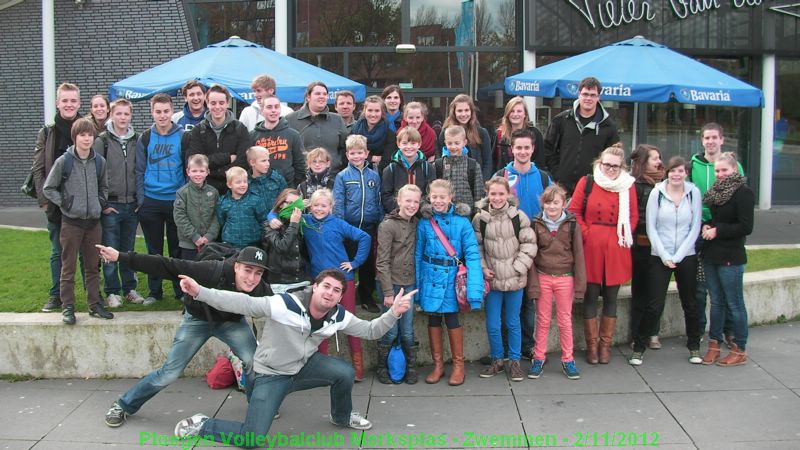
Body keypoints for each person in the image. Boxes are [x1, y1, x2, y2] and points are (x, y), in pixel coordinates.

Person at [173, 270, 418, 446]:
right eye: (326, 286)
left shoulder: (338, 315)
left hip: (304, 366)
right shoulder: (285, 304)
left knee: (344, 373)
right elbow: (243, 303)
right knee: (252, 438)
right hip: (271, 374)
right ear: (315, 286)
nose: (330, 293)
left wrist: (394, 312)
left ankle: (342, 416)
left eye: (336, 290)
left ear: (340, 297)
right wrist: (201, 292)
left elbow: (370, 330)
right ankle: (202, 424)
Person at [101, 245, 272, 428]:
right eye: (247, 270)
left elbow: (282, 310)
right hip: (197, 320)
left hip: (232, 322)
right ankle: (123, 405)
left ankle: (258, 405)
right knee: (170, 372)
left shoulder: (260, 288)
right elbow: (167, 264)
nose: (252, 278)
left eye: (258, 273)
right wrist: (121, 256)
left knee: (255, 361)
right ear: (236, 266)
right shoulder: (211, 270)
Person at [568, 143, 637, 365]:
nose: (610, 169)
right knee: (590, 295)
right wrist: (587, 233)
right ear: (600, 163)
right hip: (591, 247)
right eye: (607, 164)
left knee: (611, 297)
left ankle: (604, 346)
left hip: (617, 246)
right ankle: (591, 346)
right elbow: (574, 211)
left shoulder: (628, 186)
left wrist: (624, 234)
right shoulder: (587, 182)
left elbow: (633, 216)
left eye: (615, 166)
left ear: (622, 167)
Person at [629, 156, 702, 366]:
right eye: (672, 171)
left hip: (686, 255)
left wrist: (678, 256)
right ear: (667, 172)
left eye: (680, 171)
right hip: (660, 255)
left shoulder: (693, 193)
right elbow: (651, 227)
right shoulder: (657, 193)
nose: (676, 175)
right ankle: (639, 347)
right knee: (653, 305)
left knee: (690, 303)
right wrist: (665, 256)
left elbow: (695, 226)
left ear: (686, 173)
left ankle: (694, 345)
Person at [42, 117, 111, 325]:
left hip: (93, 222)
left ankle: (94, 304)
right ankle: (68, 306)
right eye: (82, 135)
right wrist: (66, 203)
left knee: (92, 266)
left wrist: (99, 202)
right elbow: (49, 188)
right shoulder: (64, 161)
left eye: (90, 135)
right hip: (71, 223)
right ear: (75, 137)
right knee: (68, 266)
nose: (87, 139)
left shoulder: (99, 161)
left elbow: (104, 187)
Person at [491, 128, 552, 361]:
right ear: (511, 149)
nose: (523, 151)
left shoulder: (544, 177)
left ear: (533, 149)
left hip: (532, 246)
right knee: (504, 299)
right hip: (503, 246)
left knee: (527, 298)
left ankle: (525, 344)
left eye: (527, 147)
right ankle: (504, 347)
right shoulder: (502, 175)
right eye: (519, 147)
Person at [416, 179, 483, 386]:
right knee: (433, 319)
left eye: (442, 197)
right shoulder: (424, 223)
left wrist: (474, 290)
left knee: (452, 318)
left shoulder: (462, 222)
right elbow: (418, 255)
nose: (438, 201)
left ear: (451, 197)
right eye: (434, 197)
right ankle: (438, 366)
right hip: (430, 276)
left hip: (453, 278)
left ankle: (458, 365)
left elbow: (472, 255)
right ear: (429, 197)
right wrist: (417, 288)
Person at [302, 189, 371, 380]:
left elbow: (365, 237)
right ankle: (321, 366)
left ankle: (358, 365)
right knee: (320, 323)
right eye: (315, 205)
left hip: (343, 279)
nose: (319, 209)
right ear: (310, 206)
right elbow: (276, 213)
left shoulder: (338, 223)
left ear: (331, 207)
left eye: (324, 206)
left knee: (350, 321)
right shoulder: (305, 222)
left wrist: (355, 263)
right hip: (320, 280)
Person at [473, 177, 536, 382]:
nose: (497, 197)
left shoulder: (519, 217)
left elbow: (529, 244)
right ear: (487, 194)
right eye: (493, 194)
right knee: (492, 323)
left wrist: (518, 267)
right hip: (492, 280)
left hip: (515, 278)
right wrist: (483, 268)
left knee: (513, 322)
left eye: (501, 193)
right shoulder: (480, 219)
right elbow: (477, 248)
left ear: (508, 194)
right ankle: (497, 359)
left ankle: (515, 361)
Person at [34, 83, 86, 313]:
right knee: (58, 253)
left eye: (73, 101)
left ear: (79, 103)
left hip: (84, 207)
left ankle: (94, 296)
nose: (69, 105)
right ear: (58, 103)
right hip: (56, 206)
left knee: (88, 254)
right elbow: (38, 170)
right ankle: (56, 296)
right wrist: (44, 201)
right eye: (65, 100)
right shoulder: (48, 132)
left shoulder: (88, 128)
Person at [689, 123, 743, 341]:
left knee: (727, 288)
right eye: (706, 138)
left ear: (722, 140)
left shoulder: (734, 166)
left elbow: (740, 198)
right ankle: (701, 330)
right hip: (701, 230)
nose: (710, 141)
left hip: (726, 232)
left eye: (714, 137)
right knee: (701, 287)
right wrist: (702, 223)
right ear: (702, 141)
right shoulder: (692, 166)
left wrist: (719, 227)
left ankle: (729, 331)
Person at [700, 152, 754, 367]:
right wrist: (708, 225)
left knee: (734, 303)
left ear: (734, 170)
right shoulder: (716, 192)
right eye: (717, 171)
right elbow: (717, 218)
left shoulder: (743, 193)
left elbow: (745, 227)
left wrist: (717, 231)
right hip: (712, 253)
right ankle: (714, 343)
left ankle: (740, 348)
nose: (720, 174)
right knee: (716, 302)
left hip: (731, 255)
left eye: (724, 170)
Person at [527, 184, 586, 380]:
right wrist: (533, 283)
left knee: (564, 320)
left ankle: (568, 359)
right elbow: (532, 256)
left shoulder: (572, 224)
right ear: (542, 204)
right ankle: (538, 357)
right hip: (543, 276)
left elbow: (578, 254)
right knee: (542, 320)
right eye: (548, 203)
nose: (552, 207)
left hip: (565, 278)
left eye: (556, 203)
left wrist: (580, 286)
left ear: (563, 203)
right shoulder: (536, 223)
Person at [135, 93, 186, 305]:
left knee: (177, 248)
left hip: (175, 200)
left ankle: (179, 290)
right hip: (151, 201)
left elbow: (186, 167)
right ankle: (154, 292)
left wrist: (183, 198)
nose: (162, 115)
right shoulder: (145, 137)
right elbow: (139, 170)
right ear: (152, 112)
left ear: (172, 111)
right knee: (153, 249)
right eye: (158, 112)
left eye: (166, 111)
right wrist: (141, 200)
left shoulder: (183, 135)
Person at [95, 98, 144, 305]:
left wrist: (139, 200)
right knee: (109, 249)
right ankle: (112, 291)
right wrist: (103, 204)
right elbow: (95, 173)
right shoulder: (102, 140)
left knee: (127, 250)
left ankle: (130, 288)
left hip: (131, 204)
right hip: (111, 205)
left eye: (126, 114)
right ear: (111, 115)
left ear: (130, 116)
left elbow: (140, 170)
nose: (122, 118)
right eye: (118, 114)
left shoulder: (137, 140)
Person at [375, 184, 423, 384]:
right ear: (399, 201)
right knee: (391, 329)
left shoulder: (416, 222)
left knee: (407, 329)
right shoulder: (387, 225)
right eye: (408, 201)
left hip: (409, 282)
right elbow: (382, 261)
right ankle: (382, 366)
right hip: (391, 284)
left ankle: (410, 367)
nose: (412, 205)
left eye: (416, 201)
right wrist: (387, 292)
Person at [544, 77, 620, 195]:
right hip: (562, 187)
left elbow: (615, 155)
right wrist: (557, 172)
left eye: (593, 95)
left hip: (592, 187)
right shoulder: (562, 120)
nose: (588, 98)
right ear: (579, 94)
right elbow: (547, 148)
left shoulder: (608, 126)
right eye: (585, 94)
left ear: (598, 97)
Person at [333, 135, 383, 313]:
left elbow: (378, 200)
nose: (356, 156)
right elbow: (338, 201)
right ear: (347, 155)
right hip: (349, 228)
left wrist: (379, 221)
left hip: (368, 228)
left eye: (360, 153)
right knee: (346, 263)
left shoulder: (374, 176)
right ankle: (344, 296)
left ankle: (367, 296)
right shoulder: (342, 176)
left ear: (366, 153)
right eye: (352, 153)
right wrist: (340, 226)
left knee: (367, 265)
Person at [628, 144, 665, 350]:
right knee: (641, 292)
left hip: (662, 247)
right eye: (654, 159)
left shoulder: (666, 185)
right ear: (643, 163)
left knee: (657, 292)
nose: (659, 162)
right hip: (642, 246)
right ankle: (637, 334)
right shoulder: (635, 186)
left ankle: (653, 331)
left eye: (659, 158)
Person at [186, 84, 251, 195]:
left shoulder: (240, 129)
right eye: (213, 103)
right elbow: (197, 162)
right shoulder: (198, 130)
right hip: (205, 191)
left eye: (221, 103)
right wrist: (227, 158)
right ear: (207, 103)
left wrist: (214, 170)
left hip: (233, 191)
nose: (217, 107)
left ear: (227, 103)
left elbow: (243, 161)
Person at [286, 81, 348, 172]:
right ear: (308, 97)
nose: (322, 96)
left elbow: (345, 150)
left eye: (325, 94)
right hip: (302, 178)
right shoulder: (290, 119)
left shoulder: (337, 120)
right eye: (317, 93)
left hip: (332, 178)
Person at [249, 95, 305, 187]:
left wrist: (294, 188)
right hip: (260, 189)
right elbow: (249, 166)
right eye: (269, 107)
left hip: (287, 188)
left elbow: (300, 165)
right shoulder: (252, 136)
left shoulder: (293, 135)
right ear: (262, 110)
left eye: (276, 107)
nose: (273, 110)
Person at [261, 188, 310, 293]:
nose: (294, 207)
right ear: (281, 204)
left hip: (301, 279)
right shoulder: (269, 224)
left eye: (297, 204)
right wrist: (293, 224)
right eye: (290, 203)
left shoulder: (302, 222)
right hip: (280, 282)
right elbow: (281, 247)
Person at [173, 154, 220, 261]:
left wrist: (210, 235)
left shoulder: (213, 192)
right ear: (188, 171)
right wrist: (195, 236)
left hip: (209, 242)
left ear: (207, 172)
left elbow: (217, 216)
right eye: (194, 171)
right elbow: (180, 217)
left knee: (207, 273)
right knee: (190, 273)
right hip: (188, 244)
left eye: (201, 171)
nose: (198, 174)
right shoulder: (182, 193)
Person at [437, 94, 493, 180]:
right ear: (454, 112)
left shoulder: (482, 133)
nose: (463, 114)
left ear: (471, 111)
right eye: (459, 111)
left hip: (476, 182)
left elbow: (488, 162)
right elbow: (440, 162)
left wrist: (482, 183)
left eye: (466, 110)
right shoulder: (444, 133)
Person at [381, 127, 435, 213]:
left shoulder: (428, 168)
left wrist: (416, 207)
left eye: (413, 143)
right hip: (398, 215)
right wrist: (403, 209)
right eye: (405, 143)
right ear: (398, 144)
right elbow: (386, 196)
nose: (409, 147)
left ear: (419, 144)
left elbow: (430, 193)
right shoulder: (390, 169)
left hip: (421, 214)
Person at [434, 125, 485, 217]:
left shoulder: (472, 165)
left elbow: (479, 194)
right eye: (450, 143)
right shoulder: (438, 165)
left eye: (457, 143)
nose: (453, 147)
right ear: (445, 142)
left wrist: (477, 214)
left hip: (466, 215)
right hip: (443, 214)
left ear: (464, 142)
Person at [217, 167, 268, 250]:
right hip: (230, 244)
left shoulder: (255, 200)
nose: (242, 185)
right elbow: (221, 220)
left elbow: (263, 220)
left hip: (253, 245)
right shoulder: (223, 202)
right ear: (229, 184)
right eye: (238, 182)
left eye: (245, 181)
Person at [495, 96, 545, 172]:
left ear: (525, 114)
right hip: (504, 179)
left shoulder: (535, 133)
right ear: (507, 114)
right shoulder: (500, 134)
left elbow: (540, 161)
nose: (515, 114)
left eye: (519, 111)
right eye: (512, 111)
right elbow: (493, 159)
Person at [350, 95, 396, 174]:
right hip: (355, 174)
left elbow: (387, 161)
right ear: (365, 111)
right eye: (370, 110)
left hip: (380, 176)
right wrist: (371, 158)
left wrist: (363, 157)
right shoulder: (355, 130)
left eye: (377, 111)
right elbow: (349, 156)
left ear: (382, 112)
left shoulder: (390, 134)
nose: (373, 114)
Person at [246, 145, 287, 213]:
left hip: (277, 219)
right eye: (263, 161)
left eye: (268, 160)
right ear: (252, 162)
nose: (268, 164)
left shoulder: (277, 179)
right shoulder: (245, 183)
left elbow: (286, 201)